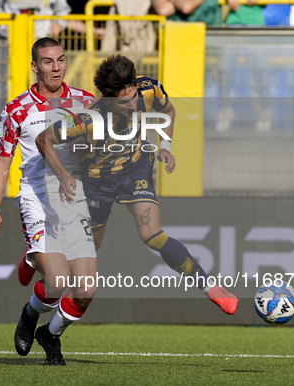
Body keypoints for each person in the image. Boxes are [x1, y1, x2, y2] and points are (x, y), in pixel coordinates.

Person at [37, 55, 239, 315]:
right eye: (124, 102)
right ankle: (36, 254)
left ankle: (209, 287)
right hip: (98, 180)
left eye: (133, 96)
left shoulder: (148, 89)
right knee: (89, 248)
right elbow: (44, 139)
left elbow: (168, 111)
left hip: (136, 168)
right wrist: (64, 175)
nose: (133, 105)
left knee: (152, 234)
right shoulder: (89, 119)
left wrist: (165, 147)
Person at [0, 37, 95, 365]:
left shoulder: (85, 102)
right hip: (37, 199)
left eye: (60, 60)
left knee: (85, 290)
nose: (56, 67)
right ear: (35, 66)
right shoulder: (16, 110)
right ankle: (30, 314)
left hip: (74, 199)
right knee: (58, 282)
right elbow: (2, 163)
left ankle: (49, 334)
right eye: (48, 62)